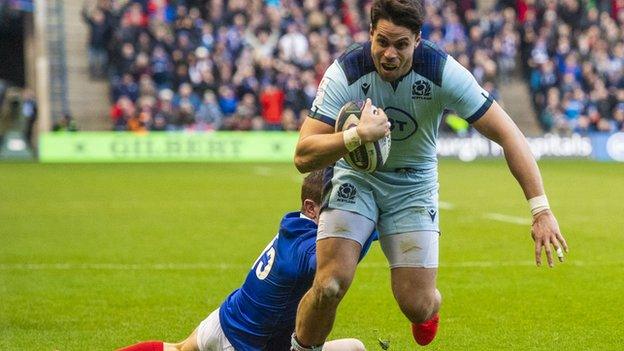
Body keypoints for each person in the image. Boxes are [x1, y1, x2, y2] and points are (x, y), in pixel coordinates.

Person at [291, 0, 569, 349]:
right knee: (330, 283)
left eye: (401, 44)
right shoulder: (346, 71)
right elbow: (303, 155)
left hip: (413, 185)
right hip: (356, 179)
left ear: (418, 40)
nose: (389, 54)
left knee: (416, 305)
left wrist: (540, 209)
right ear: (371, 34)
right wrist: (357, 136)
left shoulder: (442, 72)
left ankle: (428, 310)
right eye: (382, 42)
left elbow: (509, 133)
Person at [117, 171, 375, 351]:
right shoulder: (303, 249)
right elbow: (331, 266)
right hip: (245, 344)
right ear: (310, 208)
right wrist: (367, 228)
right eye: (336, 208)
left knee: (355, 347)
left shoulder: (295, 225)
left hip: (228, 317)